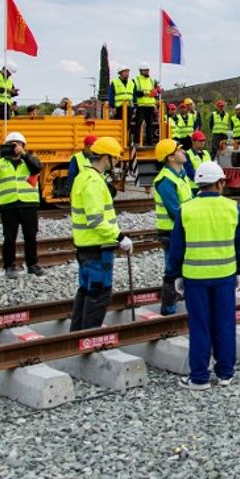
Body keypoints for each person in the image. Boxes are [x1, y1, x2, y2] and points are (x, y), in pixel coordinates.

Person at [167, 161, 240, 389]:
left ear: (198, 184)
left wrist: (175, 274)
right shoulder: (233, 208)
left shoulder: (186, 209)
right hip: (225, 275)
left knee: (199, 326)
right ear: (220, 183)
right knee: (225, 324)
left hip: (195, 277)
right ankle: (225, 374)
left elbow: (177, 248)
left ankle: (199, 377)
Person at [69, 137, 132, 330]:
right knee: (99, 293)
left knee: (85, 291)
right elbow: (96, 220)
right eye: (115, 158)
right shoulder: (94, 182)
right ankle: (90, 335)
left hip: (86, 246)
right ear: (106, 158)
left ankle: (77, 334)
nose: (117, 162)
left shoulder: (83, 177)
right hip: (97, 248)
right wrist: (120, 237)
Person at [0, 131, 44, 278]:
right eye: (10, 145)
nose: (14, 147)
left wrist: (24, 154)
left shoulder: (29, 159)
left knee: (31, 236)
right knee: (9, 238)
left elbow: (37, 168)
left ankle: (32, 265)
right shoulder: (1, 162)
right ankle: (9, 266)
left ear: (23, 146)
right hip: (9, 204)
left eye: (17, 144)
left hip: (29, 204)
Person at [153, 139, 193, 315]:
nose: (183, 152)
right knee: (173, 271)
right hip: (172, 232)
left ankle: (179, 305)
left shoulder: (180, 175)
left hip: (182, 230)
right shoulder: (165, 180)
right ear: (170, 157)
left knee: (183, 269)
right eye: (179, 150)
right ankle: (168, 311)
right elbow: (175, 211)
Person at [133, 63, 159, 145]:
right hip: (141, 105)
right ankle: (136, 142)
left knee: (150, 125)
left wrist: (155, 106)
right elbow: (135, 93)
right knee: (138, 124)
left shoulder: (152, 80)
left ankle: (149, 142)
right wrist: (147, 93)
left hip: (150, 105)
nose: (147, 72)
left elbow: (155, 93)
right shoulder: (136, 80)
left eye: (148, 70)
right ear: (141, 71)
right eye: (145, 70)